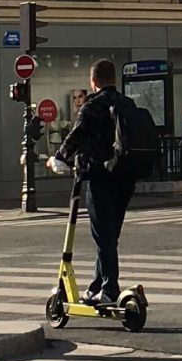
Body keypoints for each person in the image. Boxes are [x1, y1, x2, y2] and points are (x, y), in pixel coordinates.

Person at [58, 60, 141, 302]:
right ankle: (97, 284)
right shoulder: (127, 103)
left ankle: (110, 289)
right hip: (125, 177)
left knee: (103, 235)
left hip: (100, 176)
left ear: (93, 82)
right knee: (109, 234)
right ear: (114, 79)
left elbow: (77, 134)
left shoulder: (93, 105)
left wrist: (59, 158)